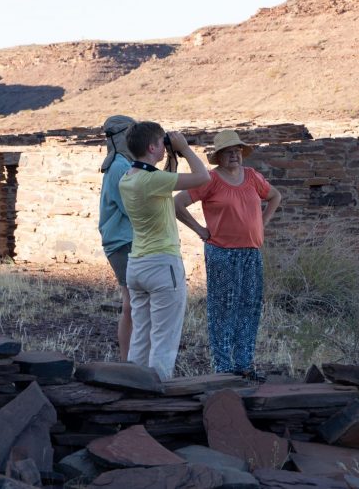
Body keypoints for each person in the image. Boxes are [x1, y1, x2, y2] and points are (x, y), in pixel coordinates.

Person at [174, 130, 281, 379]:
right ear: (219, 156)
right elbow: (177, 204)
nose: (235, 155)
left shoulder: (252, 176)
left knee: (249, 308)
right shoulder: (210, 180)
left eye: (237, 151)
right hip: (222, 252)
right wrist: (200, 230)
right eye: (228, 152)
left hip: (251, 253)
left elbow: (275, 196)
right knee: (223, 309)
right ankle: (223, 368)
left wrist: (262, 222)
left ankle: (244, 364)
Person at [119, 122, 209, 379]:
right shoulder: (153, 180)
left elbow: (162, 179)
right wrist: (185, 149)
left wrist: (170, 155)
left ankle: (134, 387)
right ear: (151, 147)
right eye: (161, 142)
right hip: (162, 265)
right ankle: (158, 391)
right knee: (163, 339)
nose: (163, 146)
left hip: (137, 265)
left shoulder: (128, 178)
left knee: (141, 336)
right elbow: (203, 177)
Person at [98, 114, 136, 361]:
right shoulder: (121, 166)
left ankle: (130, 359)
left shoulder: (120, 163)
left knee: (133, 303)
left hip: (122, 239)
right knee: (131, 303)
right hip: (123, 241)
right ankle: (127, 359)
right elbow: (132, 208)